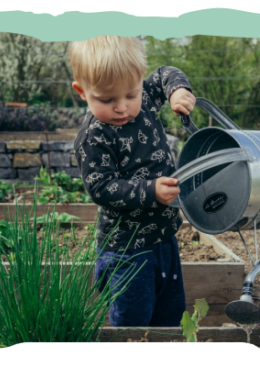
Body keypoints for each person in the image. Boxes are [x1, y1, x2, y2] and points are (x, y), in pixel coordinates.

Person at [69, 35, 196, 327]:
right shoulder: (94, 136)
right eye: (107, 99)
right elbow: (101, 187)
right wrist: (150, 191)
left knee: (169, 312)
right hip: (126, 249)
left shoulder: (146, 97)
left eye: (131, 95)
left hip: (164, 237)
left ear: (139, 83)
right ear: (82, 91)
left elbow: (165, 73)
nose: (122, 107)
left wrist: (177, 91)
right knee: (133, 320)